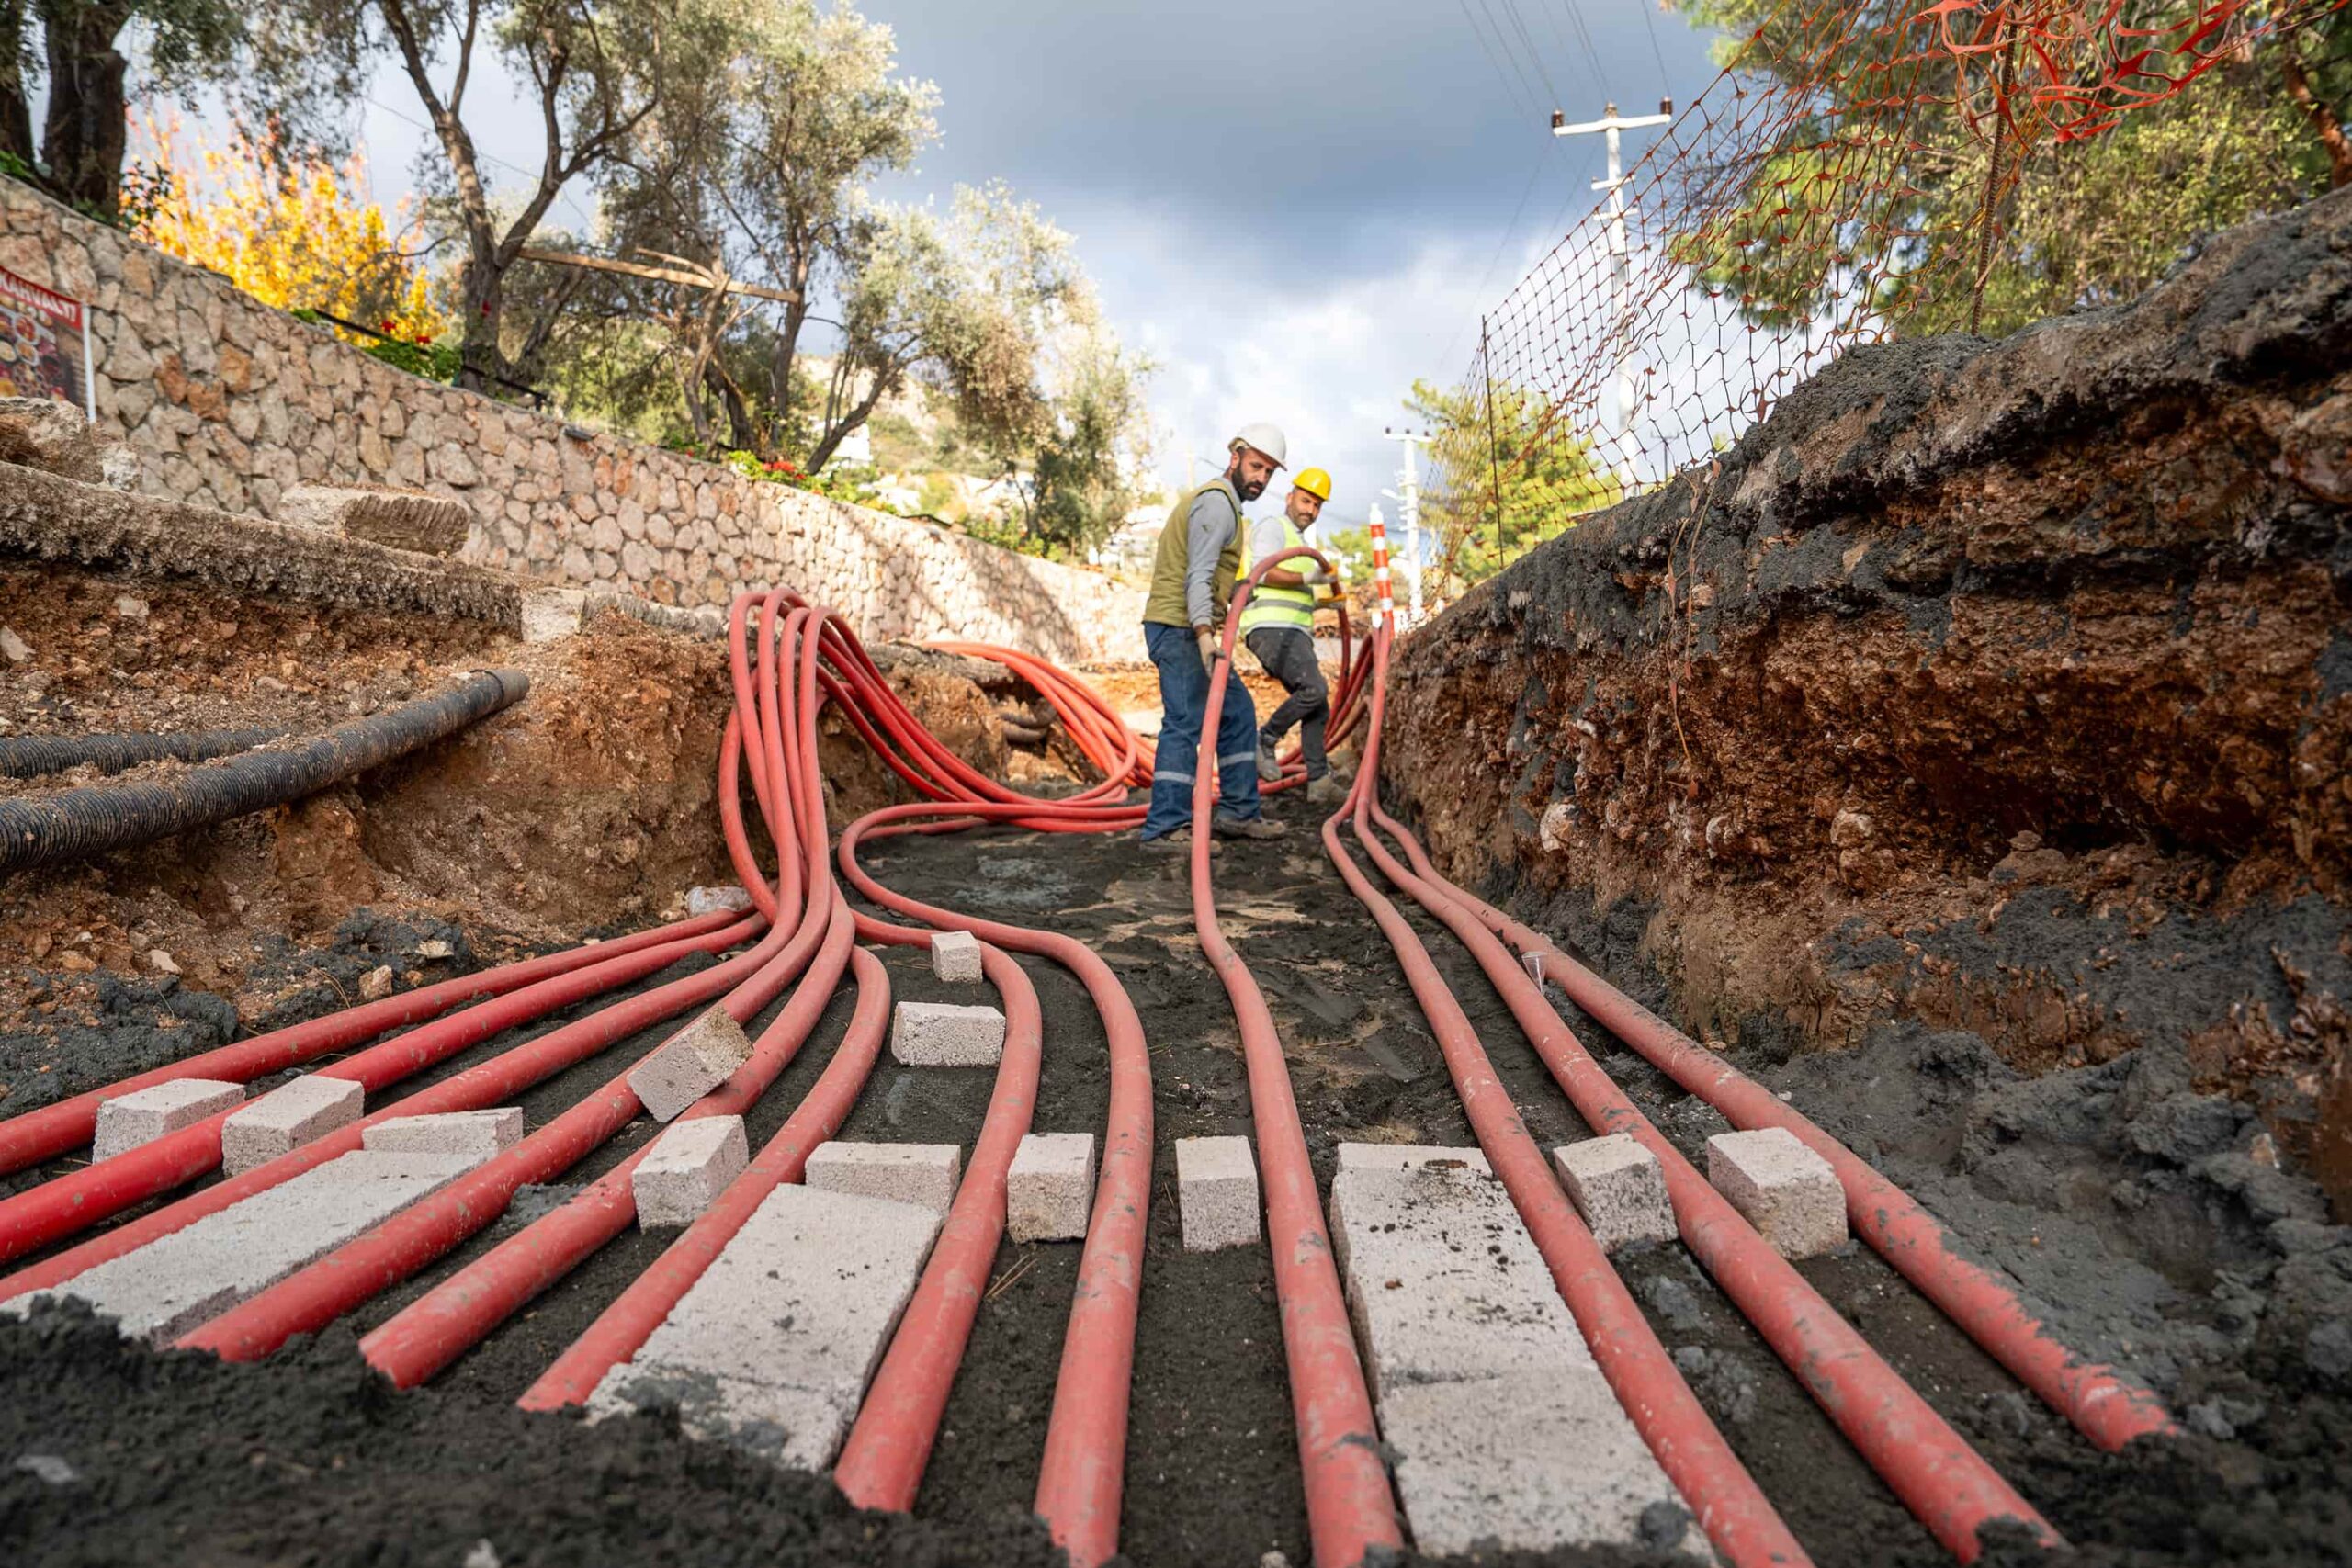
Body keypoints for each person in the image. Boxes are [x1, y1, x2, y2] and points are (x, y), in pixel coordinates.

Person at [1137, 423, 1291, 849]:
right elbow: (1199, 574)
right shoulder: (1218, 504)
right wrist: (1205, 634)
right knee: (1185, 723)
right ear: (1236, 456)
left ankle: (1239, 812)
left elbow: (1213, 575)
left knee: (1237, 713)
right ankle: (1166, 827)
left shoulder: (1229, 510)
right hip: (1181, 628)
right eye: (1256, 465)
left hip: (1189, 627)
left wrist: (1239, 591)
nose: (1260, 477)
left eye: (1269, 472)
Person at [1241, 466, 1340, 805]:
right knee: (1313, 690)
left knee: (1317, 707)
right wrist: (1311, 579)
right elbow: (1265, 571)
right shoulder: (1273, 527)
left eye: (1316, 506)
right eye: (1305, 500)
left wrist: (1328, 597)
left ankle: (1319, 780)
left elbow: (1302, 593)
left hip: (1293, 631)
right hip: (1270, 628)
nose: (1309, 510)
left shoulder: (1301, 545)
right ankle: (1266, 738)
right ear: (1289, 497)